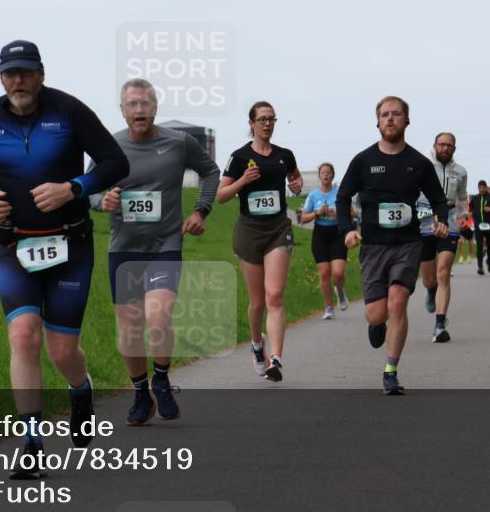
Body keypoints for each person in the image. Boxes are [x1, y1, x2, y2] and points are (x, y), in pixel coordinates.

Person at [0, 40, 130, 478]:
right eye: (10, 73)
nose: (18, 80)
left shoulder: (69, 110)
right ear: (0, 77)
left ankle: (80, 389)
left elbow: (115, 162)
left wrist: (73, 187)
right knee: (24, 337)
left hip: (70, 244)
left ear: (41, 74)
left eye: (26, 72)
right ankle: (31, 442)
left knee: (62, 348)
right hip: (14, 244)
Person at [91, 78, 219, 425]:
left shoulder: (179, 143)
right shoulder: (109, 147)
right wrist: (101, 200)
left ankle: (160, 378)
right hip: (124, 249)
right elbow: (87, 188)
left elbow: (210, 171)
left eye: (145, 103)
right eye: (132, 105)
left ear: (155, 107)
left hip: (165, 244)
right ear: (122, 110)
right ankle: (139, 393)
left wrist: (200, 210)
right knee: (130, 328)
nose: (139, 110)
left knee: (159, 316)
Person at [337, 96, 449, 395]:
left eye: (396, 114)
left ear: (406, 121)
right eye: (384, 115)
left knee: (398, 300)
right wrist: (347, 230)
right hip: (373, 245)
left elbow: (438, 199)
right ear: (377, 122)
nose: (390, 119)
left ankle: (390, 371)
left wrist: (440, 220)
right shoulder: (363, 161)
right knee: (376, 313)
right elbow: (342, 197)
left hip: (407, 243)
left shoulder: (418, 163)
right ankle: (376, 325)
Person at [218, 101, 302, 382]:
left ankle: (275, 359)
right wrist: (243, 181)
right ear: (251, 123)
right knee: (257, 303)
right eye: (262, 119)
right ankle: (257, 346)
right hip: (249, 231)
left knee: (274, 296)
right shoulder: (239, 157)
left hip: (278, 229)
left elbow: (295, 179)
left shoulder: (285, 155)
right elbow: (221, 196)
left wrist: (296, 185)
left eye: (271, 119)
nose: (267, 123)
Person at [418, 132, 467, 343]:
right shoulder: (421, 164)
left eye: (449, 146)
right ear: (434, 145)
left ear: (454, 149)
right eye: (442, 145)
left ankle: (439, 324)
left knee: (444, 272)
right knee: (430, 278)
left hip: (450, 219)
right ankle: (431, 290)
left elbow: (462, 196)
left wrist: (463, 215)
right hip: (425, 220)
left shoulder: (461, 171)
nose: (445, 148)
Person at [300, 162, 350, 319]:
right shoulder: (313, 195)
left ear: (333, 175)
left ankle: (340, 291)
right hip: (320, 234)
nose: (326, 175)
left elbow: (352, 212)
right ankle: (329, 307)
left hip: (337, 234)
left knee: (338, 272)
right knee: (324, 273)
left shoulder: (340, 193)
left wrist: (339, 214)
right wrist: (318, 213)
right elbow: (303, 218)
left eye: (329, 172)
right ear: (319, 176)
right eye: (323, 172)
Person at [469, 180, 490, 275]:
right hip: (478, 225)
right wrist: (471, 214)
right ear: (478, 188)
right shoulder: (475, 198)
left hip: (489, 224)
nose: (482, 189)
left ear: (486, 187)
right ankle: (480, 267)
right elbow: (470, 208)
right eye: (480, 187)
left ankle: (489, 262)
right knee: (479, 246)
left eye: (483, 187)